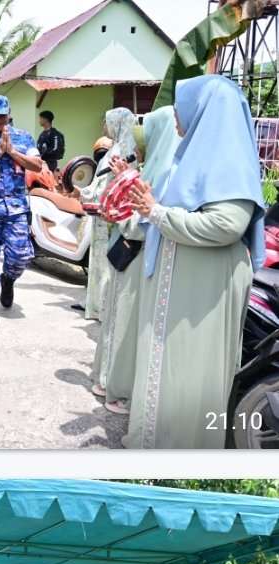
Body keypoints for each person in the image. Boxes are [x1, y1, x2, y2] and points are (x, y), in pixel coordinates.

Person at [126, 74, 264, 449]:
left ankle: (177, 446)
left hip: (203, 288)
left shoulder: (229, 160)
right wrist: (153, 205)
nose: (174, 118)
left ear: (206, 110)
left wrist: (158, 214)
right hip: (185, 284)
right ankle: (155, 439)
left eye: (181, 107)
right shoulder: (192, 158)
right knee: (170, 369)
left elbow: (226, 224)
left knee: (189, 373)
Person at [90, 107, 181, 413]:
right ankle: (116, 389)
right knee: (125, 324)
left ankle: (108, 382)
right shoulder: (161, 169)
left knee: (120, 321)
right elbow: (140, 221)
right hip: (135, 257)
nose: (140, 146)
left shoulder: (158, 169)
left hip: (129, 253)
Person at [0, 96, 43, 327]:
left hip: (15, 209)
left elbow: (37, 165)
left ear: (9, 113)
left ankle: (8, 279)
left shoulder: (23, 136)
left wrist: (12, 152)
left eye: (1, 115)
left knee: (20, 256)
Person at [78, 107, 138, 321]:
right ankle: (98, 306)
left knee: (105, 263)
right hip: (106, 212)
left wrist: (86, 193)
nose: (104, 127)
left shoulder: (120, 152)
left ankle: (103, 307)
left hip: (109, 214)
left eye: (107, 122)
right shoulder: (121, 148)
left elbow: (109, 184)